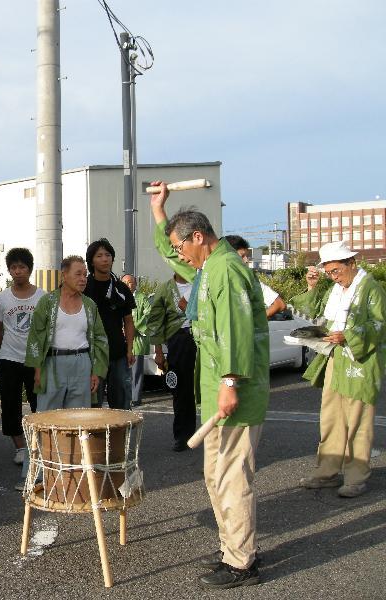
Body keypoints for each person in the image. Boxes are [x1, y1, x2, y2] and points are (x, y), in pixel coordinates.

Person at [151, 182, 269, 589]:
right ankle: (233, 547)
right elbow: (170, 251)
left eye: (183, 248)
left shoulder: (226, 269)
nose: (179, 257)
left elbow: (236, 328)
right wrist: (158, 211)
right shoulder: (206, 268)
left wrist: (231, 381)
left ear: (198, 237)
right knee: (216, 475)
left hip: (234, 391)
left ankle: (242, 561)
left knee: (233, 476)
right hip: (218, 390)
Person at [291, 240, 386, 498]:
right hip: (336, 359)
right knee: (331, 418)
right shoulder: (336, 289)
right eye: (329, 272)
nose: (333, 277)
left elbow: (379, 325)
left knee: (358, 420)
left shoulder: (371, 289)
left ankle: (356, 477)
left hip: (360, 362)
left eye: (336, 271)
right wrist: (312, 287)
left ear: (351, 263)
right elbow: (314, 313)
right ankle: (326, 472)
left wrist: (348, 335)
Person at [25, 255, 109, 412]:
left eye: (85, 275)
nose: (83, 279)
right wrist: (38, 370)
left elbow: (100, 339)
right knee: (48, 416)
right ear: (64, 275)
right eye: (78, 274)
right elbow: (35, 337)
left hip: (82, 362)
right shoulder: (47, 302)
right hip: (52, 363)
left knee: (79, 417)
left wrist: (96, 372)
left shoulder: (90, 305)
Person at [0, 247, 46, 468]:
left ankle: (40, 445)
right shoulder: (2, 299)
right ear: (9, 270)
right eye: (14, 267)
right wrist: (6, 347)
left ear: (29, 269)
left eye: (22, 266)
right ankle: (20, 448)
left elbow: (46, 329)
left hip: (36, 361)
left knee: (39, 404)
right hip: (9, 359)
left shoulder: (42, 296)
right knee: (10, 404)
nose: (18, 271)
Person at [147, 272, 197, 451]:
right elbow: (155, 321)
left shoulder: (201, 281)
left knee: (206, 387)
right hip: (179, 339)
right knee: (181, 390)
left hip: (203, 337)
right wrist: (158, 351)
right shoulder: (165, 288)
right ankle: (183, 436)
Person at [84, 239, 136, 409]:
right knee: (93, 402)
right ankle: (94, 435)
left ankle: (121, 435)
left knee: (121, 402)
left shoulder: (121, 288)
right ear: (91, 260)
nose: (105, 259)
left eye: (108, 255)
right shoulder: (83, 287)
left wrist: (129, 349)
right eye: (99, 255)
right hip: (91, 353)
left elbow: (128, 321)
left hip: (118, 352)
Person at [224, 235, 287, 318]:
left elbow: (280, 304)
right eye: (242, 256)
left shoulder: (252, 281)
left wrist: (254, 321)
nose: (246, 260)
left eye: (247, 256)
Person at [121, 274, 152, 408]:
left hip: (137, 340)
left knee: (136, 371)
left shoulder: (142, 298)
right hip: (121, 340)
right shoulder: (119, 297)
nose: (128, 285)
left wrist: (133, 328)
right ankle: (125, 396)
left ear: (135, 284)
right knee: (123, 371)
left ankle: (135, 397)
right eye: (125, 283)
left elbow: (149, 314)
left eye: (131, 282)